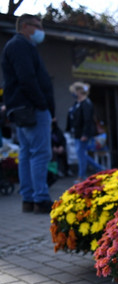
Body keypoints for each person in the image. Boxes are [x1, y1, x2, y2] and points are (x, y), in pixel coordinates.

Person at [1, 14, 54, 213]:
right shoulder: (21, 46)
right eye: (37, 26)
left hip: (22, 108)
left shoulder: (15, 46)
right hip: (32, 108)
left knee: (26, 154)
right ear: (25, 26)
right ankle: (40, 198)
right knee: (40, 153)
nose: (41, 30)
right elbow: (27, 78)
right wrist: (42, 104)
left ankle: (29, 199)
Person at [67, 81, 103, 182]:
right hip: (77, 133)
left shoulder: (86, 103)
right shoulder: (77, 104)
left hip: (83, 134)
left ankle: (82, 175)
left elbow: (88, 120)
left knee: (81, 154)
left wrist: (85, 134)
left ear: (78, 91)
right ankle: (100, 169)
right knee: (81, 154)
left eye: (74, 91)